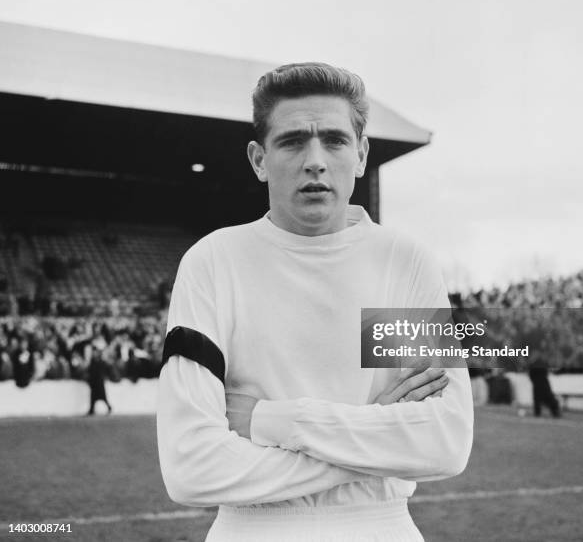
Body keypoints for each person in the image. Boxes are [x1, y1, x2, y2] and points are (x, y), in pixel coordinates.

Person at [157, 63, 474, 541]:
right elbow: (191, 467)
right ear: (259, 159)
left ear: (361, 153)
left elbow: (444, 442)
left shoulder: (402, 263)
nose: (315, 160)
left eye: (334, 139)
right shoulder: (214, 262)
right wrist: (375, 438)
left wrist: (270, 419)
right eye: (291, 142)